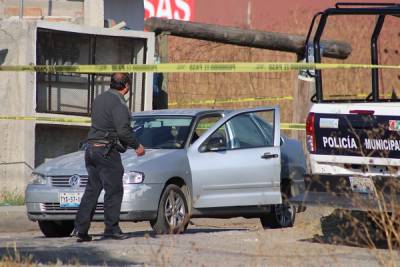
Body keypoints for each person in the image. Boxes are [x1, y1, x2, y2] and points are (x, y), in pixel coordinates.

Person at [75, 73, 145, 242]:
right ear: (127, 86)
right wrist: (137, 145)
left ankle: (81, 230)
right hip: (106, 151)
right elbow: (123, 131)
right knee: (114, 191)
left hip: (91, 150)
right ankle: (112, 229)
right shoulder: (119, 103)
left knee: (92, 190)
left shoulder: (99, 98)